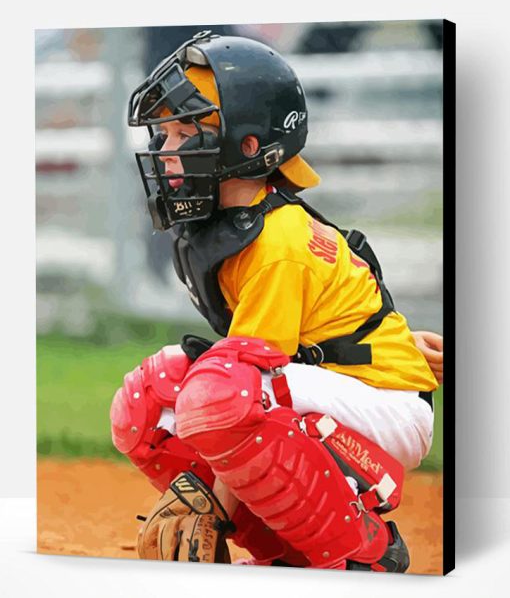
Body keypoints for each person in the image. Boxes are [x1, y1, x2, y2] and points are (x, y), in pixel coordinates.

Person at [111, 30, 443, 571]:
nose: (164, 151)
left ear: (247, 145)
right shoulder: (237, 225)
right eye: (163, 134)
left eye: (183, 134)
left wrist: (210, 502)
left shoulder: (276, 242)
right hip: (345, 385)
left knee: (221, 387)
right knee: (148, 398)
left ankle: (364, 552)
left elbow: (245, 385)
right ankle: (287, 554)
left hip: (387, 404)